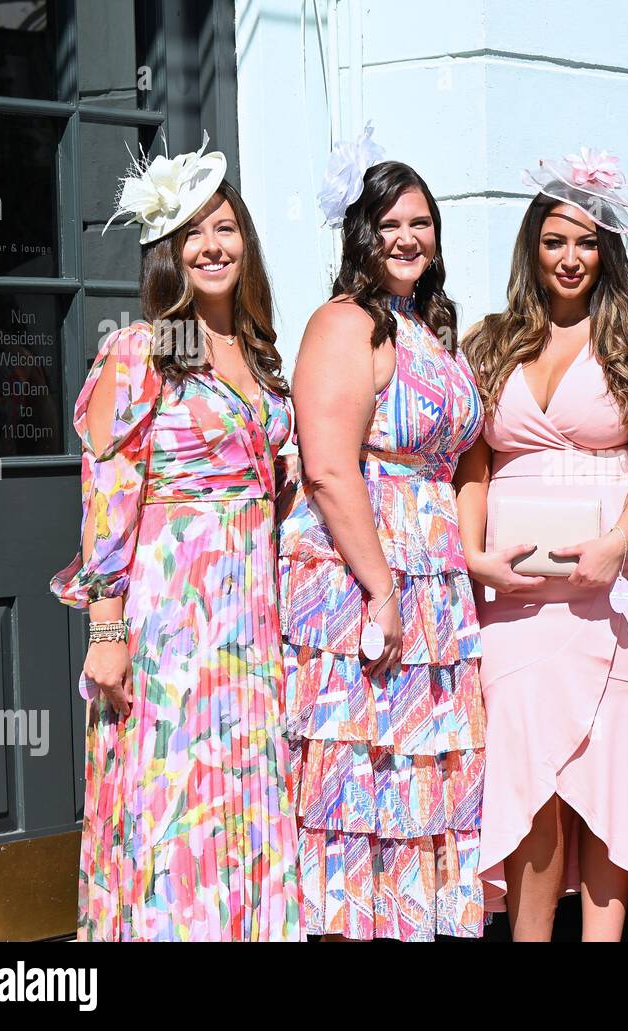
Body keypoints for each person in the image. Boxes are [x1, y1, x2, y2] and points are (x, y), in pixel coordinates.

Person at [51, 136, 301, 940]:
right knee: (174, 797)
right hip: (172, 617)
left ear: (246, 242)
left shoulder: (258, 355)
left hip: (252, 617)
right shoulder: (145, 348)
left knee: (244, 788)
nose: (212, 245)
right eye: (193, 232)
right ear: (169, 250)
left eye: (225, 228)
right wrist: (106, 628)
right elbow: (108, 496)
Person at [457, 148, 628, 940]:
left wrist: (619, 539)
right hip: (514, 596)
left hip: (614, 587)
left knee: (604, 762)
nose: (571, 256)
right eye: (555, 240)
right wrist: (473, 555)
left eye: (586, 241)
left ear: (607, 249)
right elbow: (472, 467)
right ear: (533, 247)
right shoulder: (489, 341)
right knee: (531, 765)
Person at [278, 136, 485, 940]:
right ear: (360, 236)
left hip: (432, 576)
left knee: (421, 775)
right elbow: (329, 469)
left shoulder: (423, 324)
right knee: (362, 775)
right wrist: (381, 589)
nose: (408, 237)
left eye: (422, 223)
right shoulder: (344, 324)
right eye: (390, 223)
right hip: (363, 570)